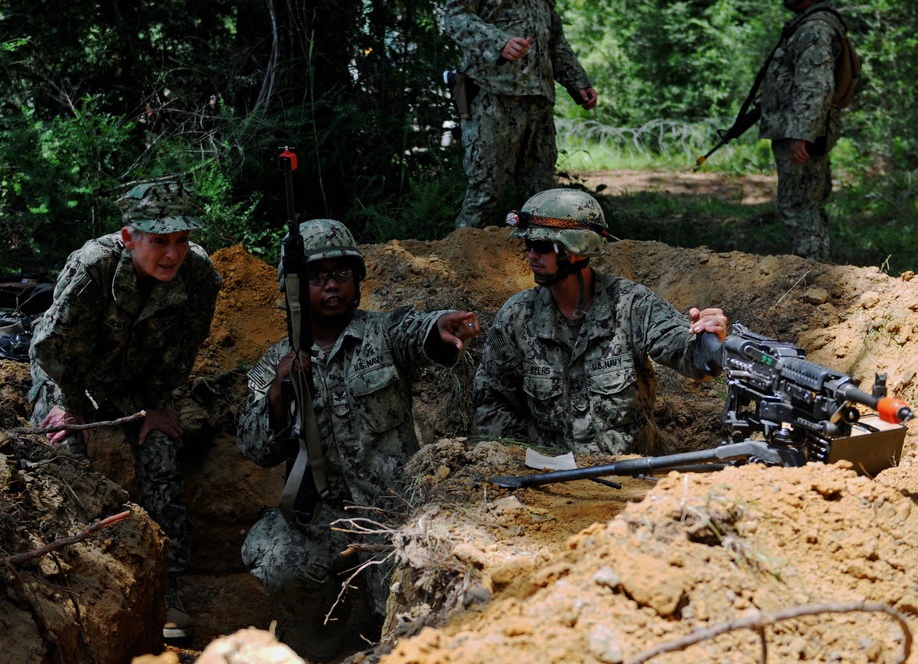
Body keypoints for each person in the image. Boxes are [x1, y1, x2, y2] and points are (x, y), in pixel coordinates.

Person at [237, 219, 480, 661]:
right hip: (322, 515)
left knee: (403, 614)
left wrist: (441, 327)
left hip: (394, 513)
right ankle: (325, 621)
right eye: (316, 276)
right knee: (270, 560)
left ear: (357, 279)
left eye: (342, 274)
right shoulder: (273, 361)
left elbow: (418, 331)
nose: (332, 286)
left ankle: (373, 623)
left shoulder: (383, 334)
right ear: (293, 287)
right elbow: (253, 448)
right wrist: (278, 393)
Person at [28, 179, 222, 640]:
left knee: (162, 446)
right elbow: (52, 349)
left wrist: (156, 404)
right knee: (62, 451)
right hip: (70, 371)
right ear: (129, 237)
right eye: (159, 241)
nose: (172, 254)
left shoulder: (200, 275)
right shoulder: (93, 267)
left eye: (181, 240)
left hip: (136, 375)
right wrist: (73, 408)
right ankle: (79, 577)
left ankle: (168, 586)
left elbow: (181, 351)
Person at [474, 188, 728, 456]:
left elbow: (686, 352)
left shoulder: (631, 305)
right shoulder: (517, 316)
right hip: (550, 482)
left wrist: (706, 338)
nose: (531, 256)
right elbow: (492, 399)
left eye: (542, 247)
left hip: (635, 477)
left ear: (576, 250)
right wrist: (516, 458)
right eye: (528, 246)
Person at [443, 0, 598, 230]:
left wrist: (577, 82)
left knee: (541, 195)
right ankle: (458, 259)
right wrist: (499, 43)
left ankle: (539, 258)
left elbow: (554, 40)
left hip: (539, 101)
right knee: (486, 192)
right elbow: (454, 16)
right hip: (493, 97)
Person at [759, 0, 846, 260]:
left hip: (802, 136)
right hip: (805, 132)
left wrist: (801, 135)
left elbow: (816, 85)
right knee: (807, 204)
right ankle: (816, 270)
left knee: (797, 205)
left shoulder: (814, 28)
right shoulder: (813, 24)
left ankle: (810, 274)